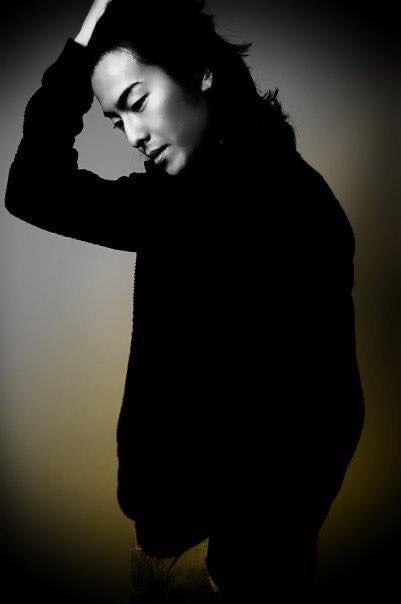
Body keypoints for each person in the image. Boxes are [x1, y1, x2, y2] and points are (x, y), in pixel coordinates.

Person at [4, 0, 365, 602]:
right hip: (180, 542)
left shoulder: (262, 202)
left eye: (137, 102)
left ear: (201, 72)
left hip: (226, 562)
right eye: (116, 121)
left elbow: (329, 409)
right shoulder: (198, 194)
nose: (134, 135)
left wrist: (241, 562)